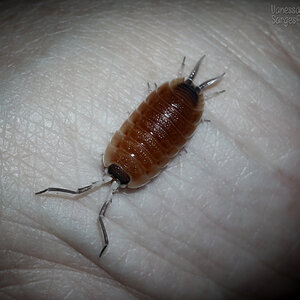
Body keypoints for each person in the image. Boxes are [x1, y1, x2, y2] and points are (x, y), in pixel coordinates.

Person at [1, 1, 299, 299]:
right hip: (175, 112)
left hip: (170, 104)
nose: (112, 179)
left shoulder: (124, 162)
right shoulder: (120, 159)